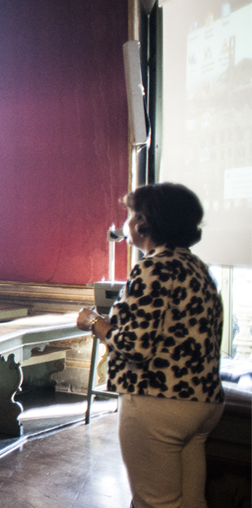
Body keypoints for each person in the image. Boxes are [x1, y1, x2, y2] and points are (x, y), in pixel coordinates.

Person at [75, 183, 225, 508]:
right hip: (203, 401)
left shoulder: (153, 266)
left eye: (130, 215)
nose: (126, 223)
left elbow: (135, 347)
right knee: (191, 501)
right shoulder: (198, 268)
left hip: (160, 400)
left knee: (155, 502)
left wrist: (94, 323)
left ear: (143, 222)